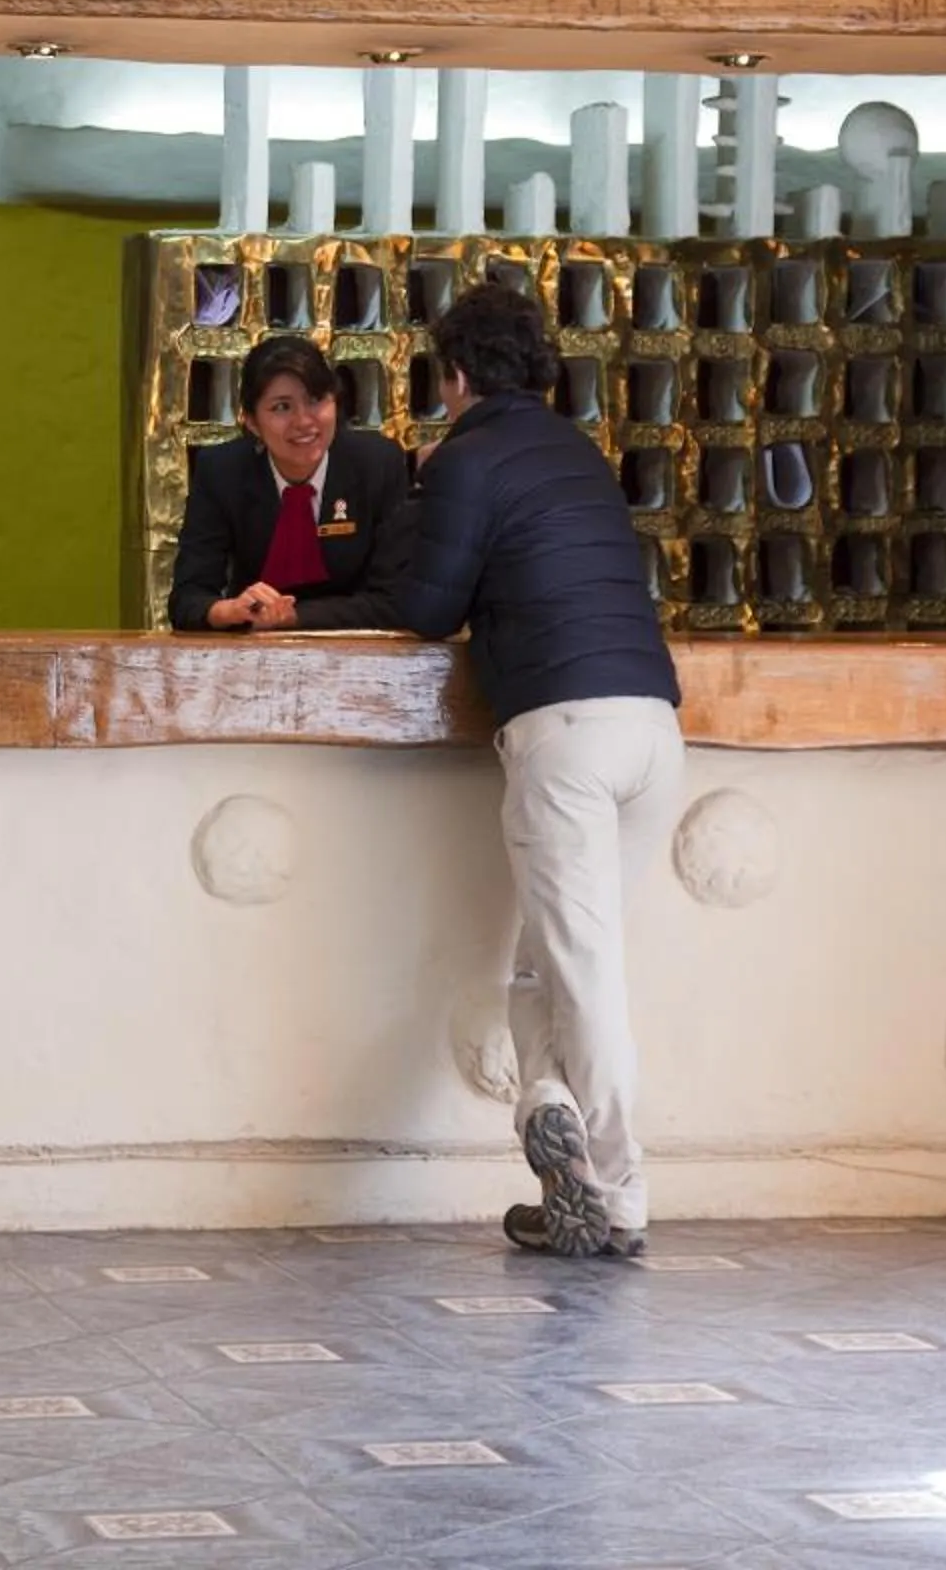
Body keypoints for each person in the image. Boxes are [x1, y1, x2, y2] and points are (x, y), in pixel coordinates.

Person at [389, 283, 682, 1259]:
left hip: (566, 734)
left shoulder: (467, 460)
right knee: (545, 962)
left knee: (582, 967)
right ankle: (552, 1120)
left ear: (456, 373)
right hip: (653, 727)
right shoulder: (581, 454)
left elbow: (429, 609)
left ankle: (623, 1190)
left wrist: (426, 494)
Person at [169, 336, 412, 632]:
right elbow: (187, 599)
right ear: (252, 422)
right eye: (282, 407)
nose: (304, 421)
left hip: (359, 654)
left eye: (315, 399)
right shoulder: (222, 470)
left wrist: (292, 617)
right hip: (253, 653)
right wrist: (229, 610)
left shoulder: (378, 464)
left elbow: (395, 599)